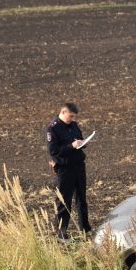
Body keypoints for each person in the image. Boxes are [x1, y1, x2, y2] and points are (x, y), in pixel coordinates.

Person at [46, 102, 92, 239]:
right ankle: (61, 232)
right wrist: (71, 145)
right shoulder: (52, 128)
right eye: (71, 116)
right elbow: (54, 151)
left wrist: (83, 143)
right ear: (63, 112)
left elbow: (79, 139)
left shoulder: (73, 125)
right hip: (65, 169)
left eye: (74, 117)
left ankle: (85, 228)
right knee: (64, 201)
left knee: (81, 199)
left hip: (78, 165)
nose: (72, 119)